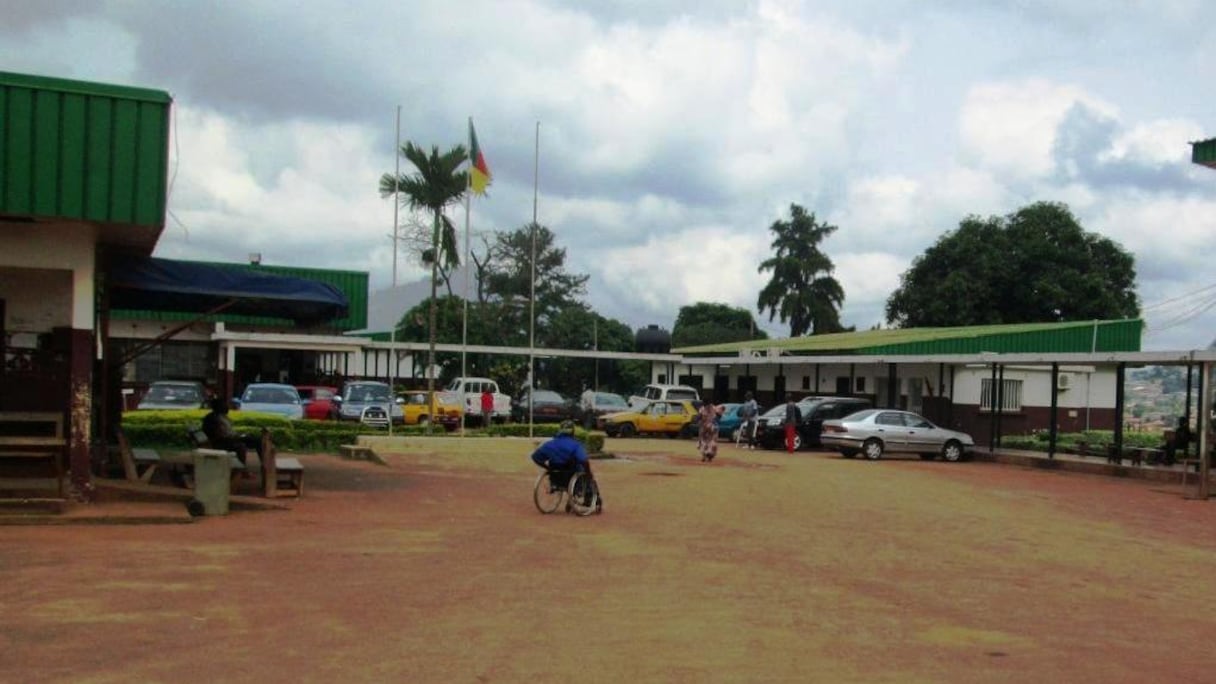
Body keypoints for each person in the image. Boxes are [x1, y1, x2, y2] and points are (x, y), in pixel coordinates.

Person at [530, 420, 602, 513]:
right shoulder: (575, 445)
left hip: (555, 476)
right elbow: (583, 460)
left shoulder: (549, 444)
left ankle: (572, 498)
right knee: (586, 474)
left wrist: (547, 468)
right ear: (573, 432)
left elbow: (535, 457)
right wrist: (588, 474)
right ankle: (591, 498)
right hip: (571, 474)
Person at [201, 397, 262, 470]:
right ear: (218, 407)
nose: (227, 407)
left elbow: (228, 431)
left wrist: (240, 435)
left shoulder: (221, 416)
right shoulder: (212, 418)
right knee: (245, 444)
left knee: (255, 439)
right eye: (224, 405)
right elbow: (221, 435)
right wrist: (237, 436)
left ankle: (264, 463)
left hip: (230, 438)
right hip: (222, 442)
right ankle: (241, 469)